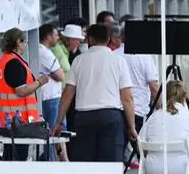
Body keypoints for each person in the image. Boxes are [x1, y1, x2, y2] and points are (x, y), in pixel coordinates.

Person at [53, 24, 136, 162]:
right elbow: (127, 98)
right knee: (110, 164)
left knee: (85, 163)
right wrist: (131, 126)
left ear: (90, 39)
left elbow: (67, 94)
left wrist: (59, 121)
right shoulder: (119, 61)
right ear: (109, 38)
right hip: (111, 117)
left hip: (84, 118)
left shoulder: (79, 61)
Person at [0, 28, 49, 160]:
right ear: (18, 42)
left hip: (8, 121)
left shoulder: (5, 61)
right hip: (17, 124)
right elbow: (21, 91)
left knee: (11, 158)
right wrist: (40, 81)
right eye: (25, 41)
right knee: (18, 160)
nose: (26, 45)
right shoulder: (14, 64)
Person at [115, 25, 160, 133]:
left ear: (121, 37)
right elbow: (154, 87)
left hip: (116, 111)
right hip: (138, 111)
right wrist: (165, 108)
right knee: (139, 148)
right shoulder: (144, 57)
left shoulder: (113, 55)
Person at [37, 24, 65, 160]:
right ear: (48, 36)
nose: (58, 38)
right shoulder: (44, 52)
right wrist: (55, 74)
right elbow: (60, 75)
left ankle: (61, 161)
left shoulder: (43, 51)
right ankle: (50, 163)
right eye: (55, 35)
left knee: (57, 134)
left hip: (51, 97)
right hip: (50, 99)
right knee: (52, 133)